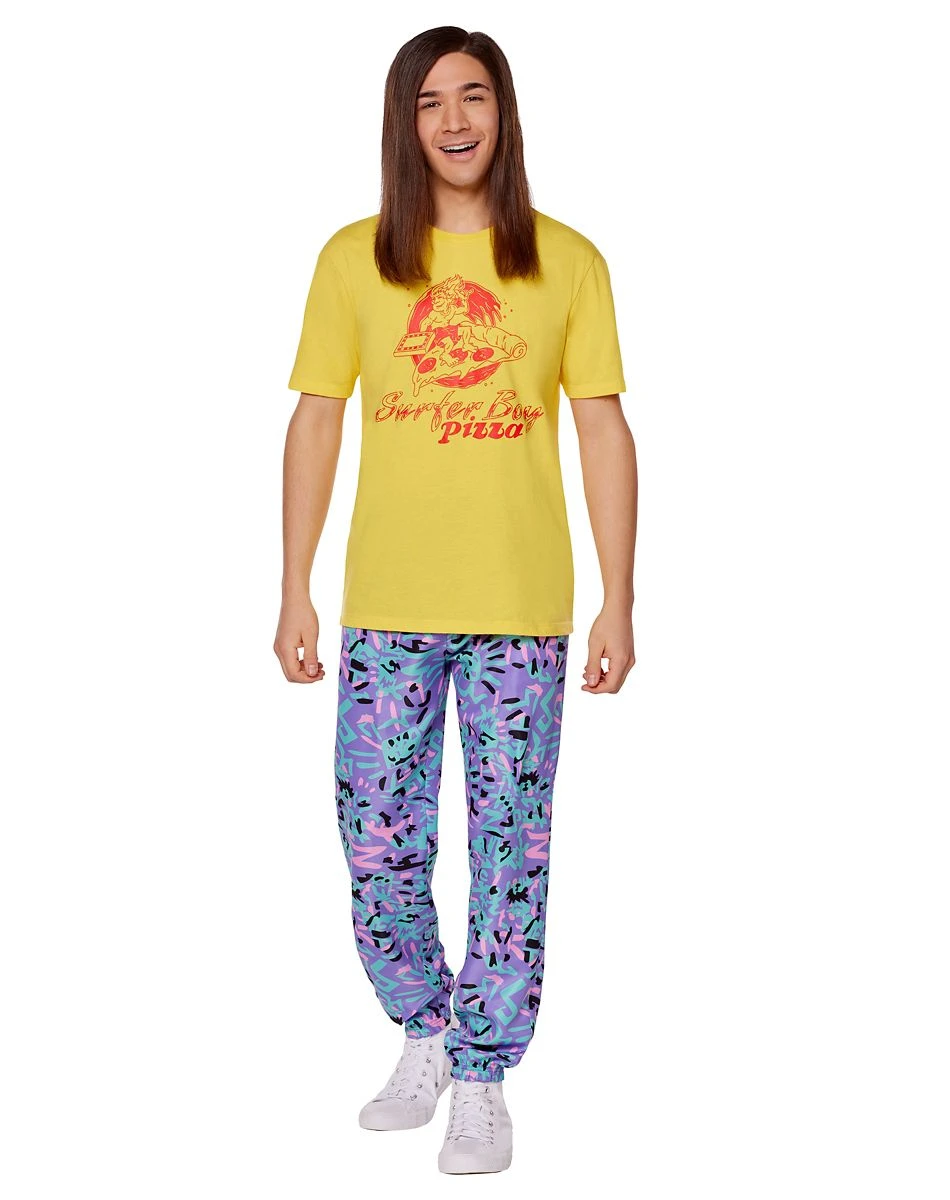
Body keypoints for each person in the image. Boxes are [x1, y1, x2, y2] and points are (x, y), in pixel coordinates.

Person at [274, 25, 638, 1174]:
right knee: (376, 833)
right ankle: (426, 1027)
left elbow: (600, 428)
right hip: (386, 604)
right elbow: (317, 418)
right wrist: (292, 584)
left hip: (519, 608)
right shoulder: (355, 261)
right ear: (404, 122)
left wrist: (618, 599)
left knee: (508, 845)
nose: (453, 121)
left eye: (472, 96)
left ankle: (482, 1074)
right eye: (429, 102)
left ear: (502, 111)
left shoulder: (565, 262)